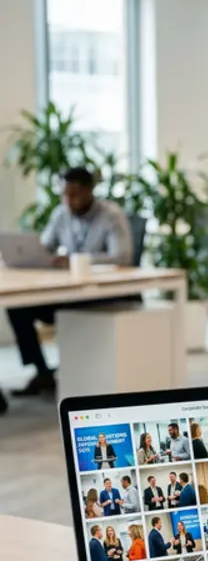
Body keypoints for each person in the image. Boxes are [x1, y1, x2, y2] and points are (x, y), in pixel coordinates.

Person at [6, 166, 133, 398]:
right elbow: (45, 246)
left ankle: (81, 375)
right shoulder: (61, 213)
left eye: (73, 194)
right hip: (69, 292)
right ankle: (42, 371)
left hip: (100, 293)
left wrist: (78, 260)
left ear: (88, 192)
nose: (67, 199)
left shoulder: (111, 215)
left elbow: (123, 256)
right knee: (18, 308)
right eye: (64, 194)